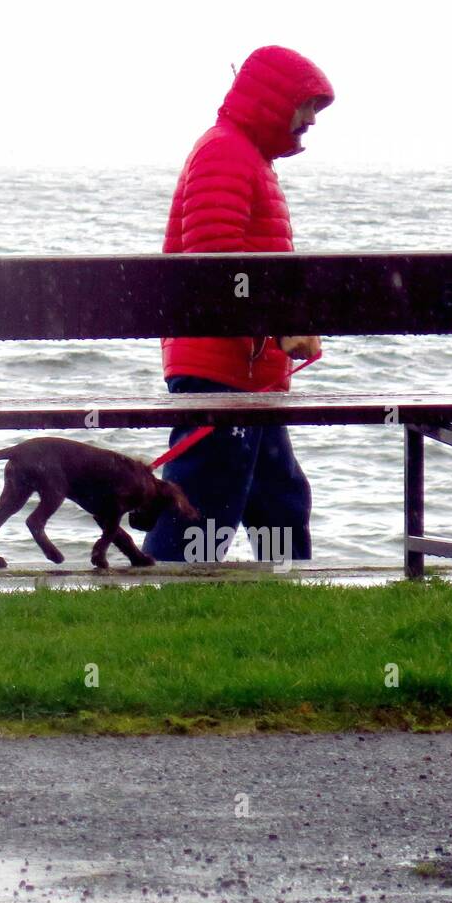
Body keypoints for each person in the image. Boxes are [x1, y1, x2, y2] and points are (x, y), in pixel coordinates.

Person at [143, 45, 333, 566]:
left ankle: (283, 581)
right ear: (274, 100)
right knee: (202, 498)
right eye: (307, 104)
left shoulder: (247, 156)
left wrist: (282, 329)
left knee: (278, 495)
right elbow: (214, 269)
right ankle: (163, 583)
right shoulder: (226, 153)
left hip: (248, 368)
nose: (312, 119)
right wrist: (279, 328)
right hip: (218, 366)